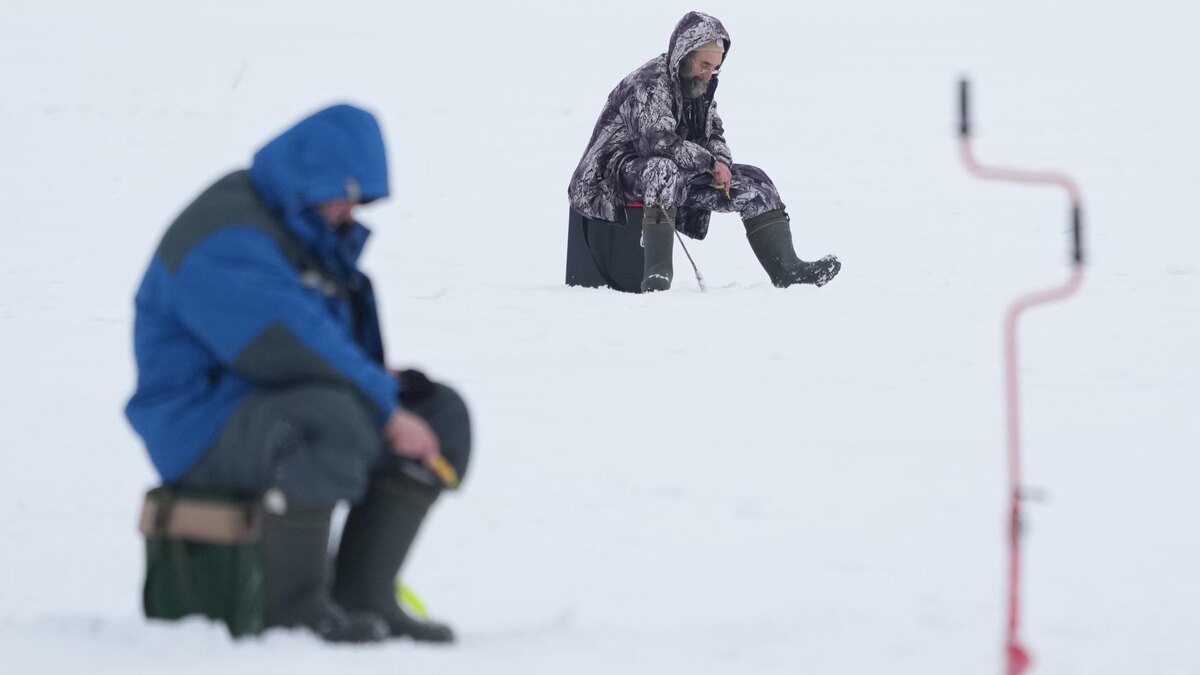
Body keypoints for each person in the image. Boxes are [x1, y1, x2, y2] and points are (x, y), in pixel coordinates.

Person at [125, 104, 470, 644]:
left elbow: (318, 333)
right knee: (331, 421)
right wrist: (381, 405)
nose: (348, 210)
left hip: (268, 405)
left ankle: (365, 595)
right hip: (197, 426)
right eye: (342, 193)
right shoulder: (224, 237)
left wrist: (385, 386)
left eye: (358, 200)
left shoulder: (294, 222)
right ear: (307, 174)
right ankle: (296, 608)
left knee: (439, 413)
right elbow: (289, 342)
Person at [568, 12, 841, 292]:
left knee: (755, 182)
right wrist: (710, 163)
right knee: (662, 169)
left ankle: (788, 271)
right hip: (609, 180)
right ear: (683, 56)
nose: (708, 74)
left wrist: (721, 161)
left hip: (673, 175)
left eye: (715, 68)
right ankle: (657, 275)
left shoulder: (699, 86)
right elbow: (659, 142)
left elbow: (715, 133)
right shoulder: (649, 82)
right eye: (704, 65)